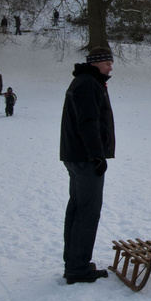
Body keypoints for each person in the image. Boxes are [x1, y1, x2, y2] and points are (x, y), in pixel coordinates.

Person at [60, 46, 116, 284]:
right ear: (95, 63)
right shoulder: (87, 84)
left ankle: (75, 262)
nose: (110, 67)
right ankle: (78, 267)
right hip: (84, 158)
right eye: (107, 63)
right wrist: (96, 155)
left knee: (78, 208)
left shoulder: (87, 82)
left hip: (76, 156)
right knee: (87, 211)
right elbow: (88, 122)